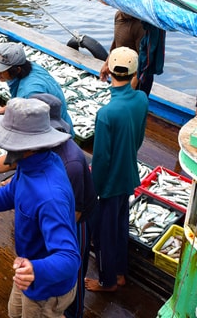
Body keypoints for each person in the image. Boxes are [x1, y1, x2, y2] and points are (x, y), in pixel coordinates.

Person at [0, 93, 97, 318]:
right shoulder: (31, 163)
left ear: (26, 145)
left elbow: (69, 257)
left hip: (46, 288)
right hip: (27, 272)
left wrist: (36, 270)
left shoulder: (50, 195)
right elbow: (9, 195)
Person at [85, 47, 148, 292]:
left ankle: (108, 281)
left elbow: (100, 159)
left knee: (103, 235)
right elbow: (139, 137)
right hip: (129, 175)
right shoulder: (142, 99)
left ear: (109, 71)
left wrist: (95, 191)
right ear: (134, 74)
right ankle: (121, 272)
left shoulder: (106, 114)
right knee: (120, 226)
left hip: (109, 186)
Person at [0, 42, 75, 136]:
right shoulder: (31, 67)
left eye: (3, 70)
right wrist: (7, 108)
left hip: (58, 133)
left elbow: (31, 125)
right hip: (63, 122)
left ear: (18, 69)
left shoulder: (30, 92)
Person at [99, 10, 165, 96]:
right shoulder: (118, 15)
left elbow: (142, 60)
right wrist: (107, 63)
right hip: (120, 73)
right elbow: (116, 41)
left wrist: (131, 89)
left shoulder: (141, 25)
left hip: (138, 75)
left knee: (135, 105)